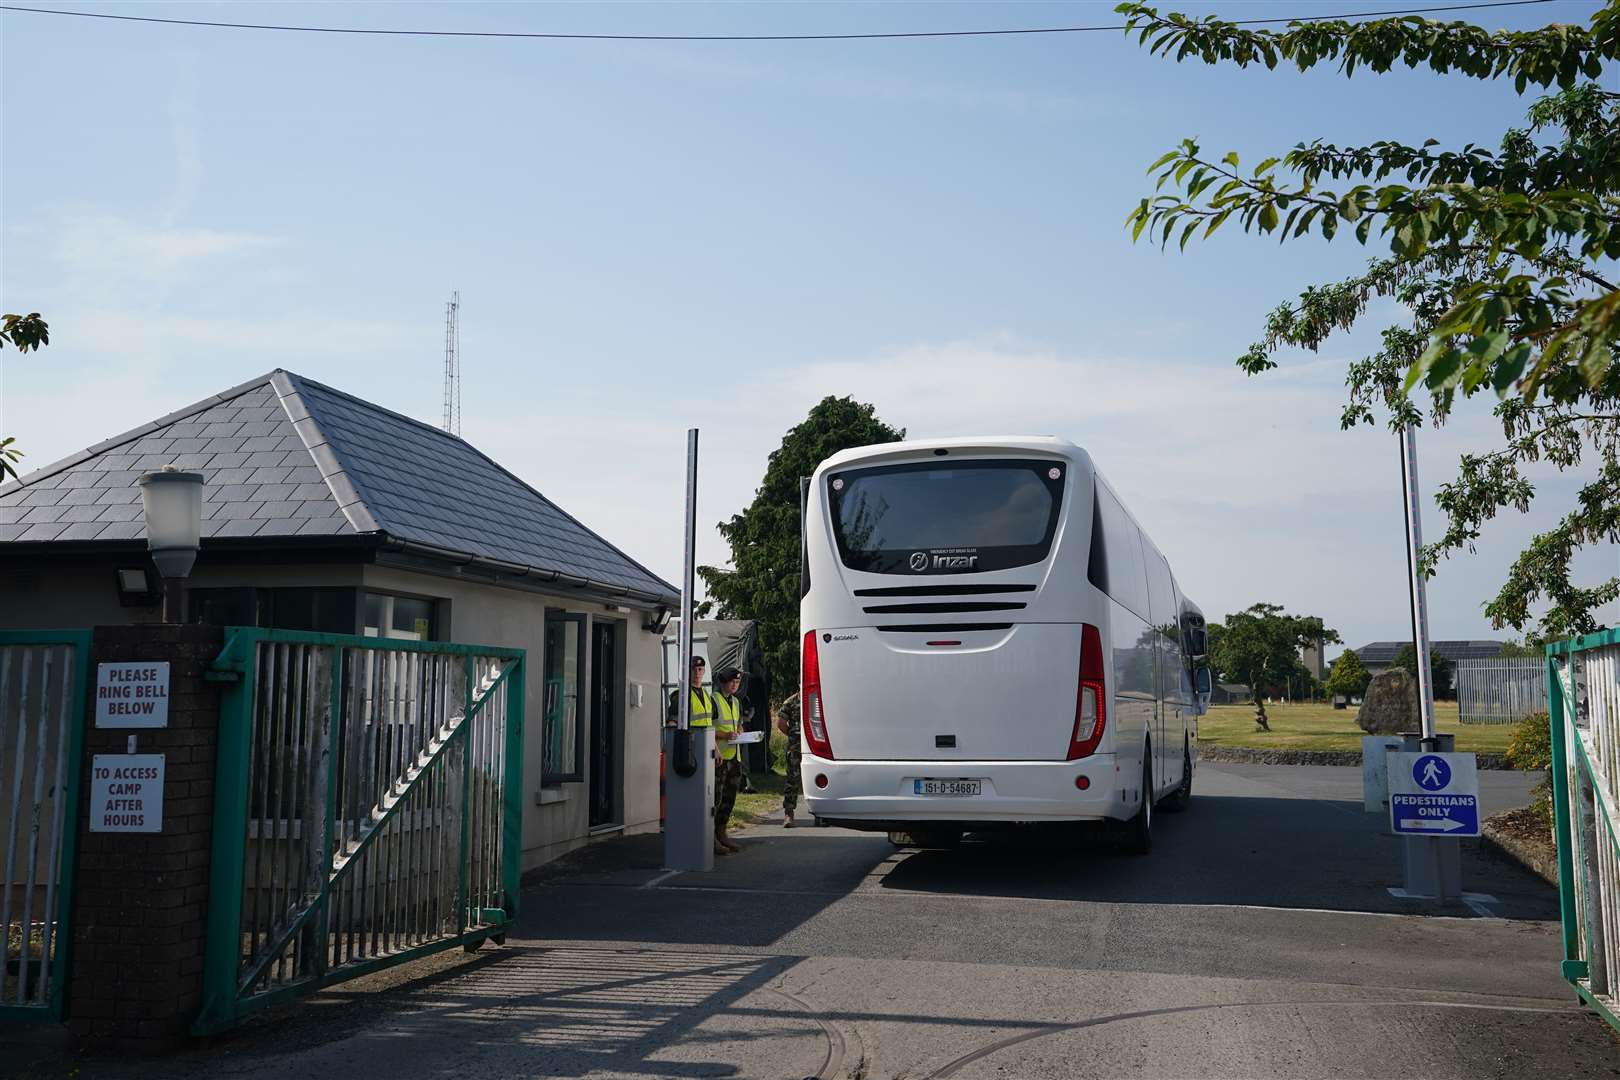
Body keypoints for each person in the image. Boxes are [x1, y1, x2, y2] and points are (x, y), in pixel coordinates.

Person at [712, 667, 745, 855]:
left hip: (734, 757)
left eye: (738, 682)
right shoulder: (714, 700)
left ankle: (722, 833)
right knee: (716, 799)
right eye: (733, 681)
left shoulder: (736, 701)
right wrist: (726, 734)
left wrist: (740, 730)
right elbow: (706, 729)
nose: (735, 685)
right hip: (720, 758)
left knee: (729, 799)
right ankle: (711, 838)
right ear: (724, 682)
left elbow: (738, 722)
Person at [776, 690, 802, 828]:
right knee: (793, 778)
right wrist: (793, 736)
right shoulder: (791, 701)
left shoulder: (818, 698)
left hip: (817, 745)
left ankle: (821, 815)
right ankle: (789, 813)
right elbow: (781, 724)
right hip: (796, 746)